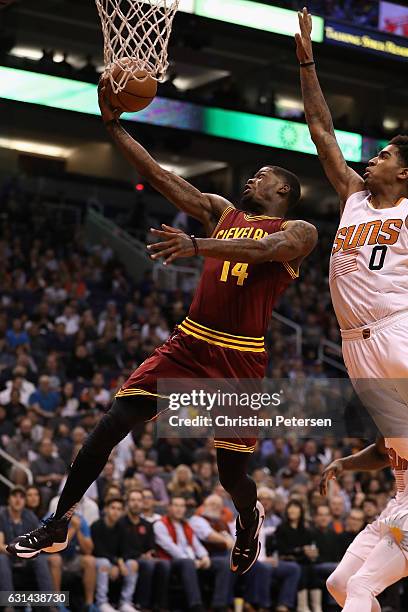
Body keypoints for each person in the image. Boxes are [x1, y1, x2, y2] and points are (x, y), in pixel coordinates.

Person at [7, 77, 317, 577]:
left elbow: (261, 252)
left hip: (239, 359)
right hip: (190, 342)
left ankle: (248, 515)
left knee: (230, 473)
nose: (250, 181)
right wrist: (117, 129)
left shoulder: (298, 232)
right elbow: (161, 177)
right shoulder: (222, 212)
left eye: (260, 176)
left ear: (282, 190)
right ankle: (58, 520)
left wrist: (196, 246)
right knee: (110, 426)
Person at [296, 8, 408, 460]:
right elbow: (322, 132)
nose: (371, 160)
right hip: (352, 345)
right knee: (399, 449)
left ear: (404, 172)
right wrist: (307, 62)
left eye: (382, 156)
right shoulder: (354, 198)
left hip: (396, 329)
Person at [320, 436, 408, 612]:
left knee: (360, 584)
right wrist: (344, 463)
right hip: (397, 507)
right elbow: (380, 452)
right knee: (338, 584)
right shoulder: (390, 417)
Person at [91, 497, 139, 612]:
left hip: (115, 561)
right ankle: (101, 602)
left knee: (132, 564)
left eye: (119, 509)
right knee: (104, 563)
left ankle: (125, 602)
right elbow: (98, 550)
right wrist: (116, 563)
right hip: (99, 560)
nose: (115, 511)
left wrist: (120, 562)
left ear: (122, 512)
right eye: (113, 508)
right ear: (106, 509)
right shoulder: (97, 525)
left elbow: (127, 550)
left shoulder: (122, 527)